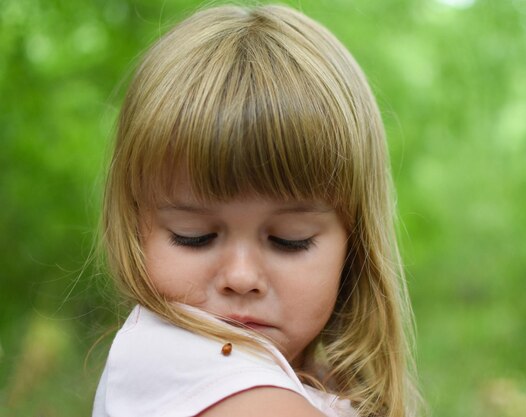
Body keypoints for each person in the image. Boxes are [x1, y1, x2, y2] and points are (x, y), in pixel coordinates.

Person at [93, 4, 421, 417]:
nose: (241, 278)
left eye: (290, 240)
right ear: (136, 227)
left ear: (352, 242)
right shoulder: (165, 354)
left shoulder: (317, 384)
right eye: (193, 235)